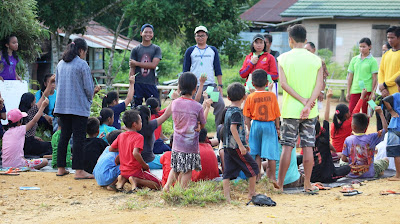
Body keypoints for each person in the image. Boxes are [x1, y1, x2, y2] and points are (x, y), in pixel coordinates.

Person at [276, 24, 323, 193]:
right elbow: (319, 85)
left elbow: (283, 84)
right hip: (311, 111)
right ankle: (308, 184)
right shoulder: (316, 60)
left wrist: (302, 100)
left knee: (288, 147)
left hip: (290, 110)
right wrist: (309, 103)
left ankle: (280, 185)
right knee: (308, 146)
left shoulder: (282, 58)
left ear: (290, 39)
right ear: (305, 39)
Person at [54, 37, 99, 179]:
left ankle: (61, 168)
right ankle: (79, 171)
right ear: (81, 50)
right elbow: (88, 88)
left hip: (62, 106)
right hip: (78, 107)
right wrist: (93, 93)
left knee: (64, 136)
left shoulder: (60, 64)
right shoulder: (82, 65)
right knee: (79, 138)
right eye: (85, 51)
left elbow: (57, 84)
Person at [163, 72, 206, 191]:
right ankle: (182, 191)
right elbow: (202, 122)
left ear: (179, 87)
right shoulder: (197, 106)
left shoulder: (175, 103)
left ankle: (167, 187)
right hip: (190, 145)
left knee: (175, 167)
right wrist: (199, 125)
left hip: (177, 143)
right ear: (195, 89)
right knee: (187, 169)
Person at [222, 82, 259, 202]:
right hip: (235, 146)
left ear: (228, 98)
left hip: (227, 145)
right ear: (244, 97)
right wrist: (241, 146)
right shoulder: (237, 112)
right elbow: (233, 129)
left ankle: (226, 197)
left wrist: (244, 144)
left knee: (227, 172)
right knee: (253, 168)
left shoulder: (227, 110)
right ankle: (251, 193)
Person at [183, 25, 225, 129]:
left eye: (202, 35)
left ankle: (219, 131)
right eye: (198, 35)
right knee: (193, 108)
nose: (200, 38)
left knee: (220, 105)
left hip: (211, 86)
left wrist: (220, 85)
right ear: (195, 37)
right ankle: (193, 131)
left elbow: (217, 69)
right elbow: (185, 70)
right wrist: (183, 87)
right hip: (195, 87)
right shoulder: (190, 50)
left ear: (206, 36)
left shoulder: (213, 50)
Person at [243, 69, 280, 182]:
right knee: (271, 154)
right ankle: (272, 178)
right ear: (266, 83)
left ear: (253, 84)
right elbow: (277, 114)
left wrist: (249, 129)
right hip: (269, 125)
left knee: (256, 153)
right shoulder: (272, 96)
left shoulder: (250, 97)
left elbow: (247, 116)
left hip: (256, 124)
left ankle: (258, 177)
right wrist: (277, 128)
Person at [111, 110, 162, 192]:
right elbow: (135, 153)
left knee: (137, 181)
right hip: (135, 171)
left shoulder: (121, 135)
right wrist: (144, 165)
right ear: (135, 124)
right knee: (158, 185)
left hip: (123, 170)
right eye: (140, 121)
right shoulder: (138, 137)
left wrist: (124, 147)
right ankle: (135, 180)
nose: (141, 123)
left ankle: (122, 179)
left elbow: (111, 148)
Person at [310, 89, 350, 182]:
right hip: (327, 176)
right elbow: (326, 118)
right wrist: (328, 98)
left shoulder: (307, 140)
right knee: (348, 168)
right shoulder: (324, 137)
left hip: (311, 177)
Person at [341, 101, 389, 178]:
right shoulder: (372, 137)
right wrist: (381, 113)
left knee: (341, 162)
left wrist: (352, 162)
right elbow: (385, 129)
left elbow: (343, 159)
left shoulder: (348, 139)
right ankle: (379, 171)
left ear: (353, 127)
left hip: (353, 173)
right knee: (386, 159)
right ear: (366, 126)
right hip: (369, 173)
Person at [2, 99, 49, 169]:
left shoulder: (6, 133)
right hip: (18, 165)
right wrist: (42, 106)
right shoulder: (20, 129)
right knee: (45, 161)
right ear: (20, 121)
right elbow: (34, 121)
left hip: (4, 165)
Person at [129, 24, 162, 106]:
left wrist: (136, 63)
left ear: (153, 34)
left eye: (150, 32)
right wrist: (131, 83)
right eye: (145, 32)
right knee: (136, 107)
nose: (148, 34)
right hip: (138, 83)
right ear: (141, 33)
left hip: (150, 83)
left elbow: (153, 65)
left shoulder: (156, 49)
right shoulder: (135, 50)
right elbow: (132, 68)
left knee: (154, 107)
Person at [346, 38, 378, 113]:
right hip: (355, 89)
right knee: (351, 111)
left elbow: (375, 79)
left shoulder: (373, 61)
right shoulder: (354, 59)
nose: (362, 49)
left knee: (366, 112)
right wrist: (348, 91)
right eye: (360, 47)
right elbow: (350, 77)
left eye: (364, 47)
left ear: (370, 47)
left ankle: (365, 125)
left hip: (368, 90)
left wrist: (373, 93)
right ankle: (351, 125)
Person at [377, 26, 400, 130]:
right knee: (386, 123)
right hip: (386, 95)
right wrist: (382, 87)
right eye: (388, 38)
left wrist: (385, 84)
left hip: (397, 95)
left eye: (392, 37)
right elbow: (381, 71)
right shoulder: (386, 54)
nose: (389, 40)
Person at [331, 91, 365, 157]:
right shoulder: (348, 124)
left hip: (334, 154)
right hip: (344, 154)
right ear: (346, 115)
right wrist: (362, 97)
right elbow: (356, 110)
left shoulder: (333, 125)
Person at [19, 92, 52, 157]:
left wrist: (34, 137)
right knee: (50, 146)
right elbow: (34, 120)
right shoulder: (31, 111)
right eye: (35, 101)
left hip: (23, 143)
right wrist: (43, 106)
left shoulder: (20, 112)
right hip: (29, 144)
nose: (36, 103)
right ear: (31, 103)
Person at [382, 75, 400, 181]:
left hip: (395, 126)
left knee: (396, 151)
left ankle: (398, 175)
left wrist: (392, 111)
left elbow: (384, 100)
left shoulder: (397, 95)